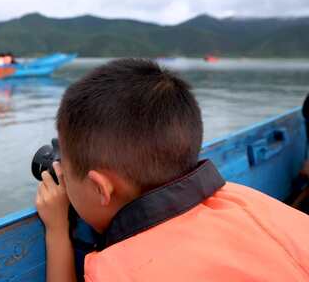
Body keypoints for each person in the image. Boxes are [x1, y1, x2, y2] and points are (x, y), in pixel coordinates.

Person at [35, 59, 309, 282]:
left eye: (66, 174)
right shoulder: (245, 199)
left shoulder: (118, 271)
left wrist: (57, 231)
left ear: (100, 188)